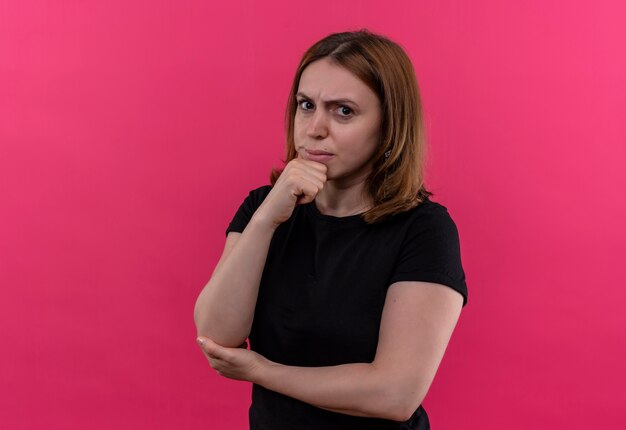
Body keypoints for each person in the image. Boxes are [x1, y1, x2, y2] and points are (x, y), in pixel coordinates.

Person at [194, 29, 468, 430]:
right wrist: (268, 219)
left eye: (344, 111)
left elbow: (395, 394)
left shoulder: (424, 230)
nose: (315, 128)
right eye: (306, 105)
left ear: (389, 125)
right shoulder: (263, 208)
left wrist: (261, 371)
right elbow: (216, 335)